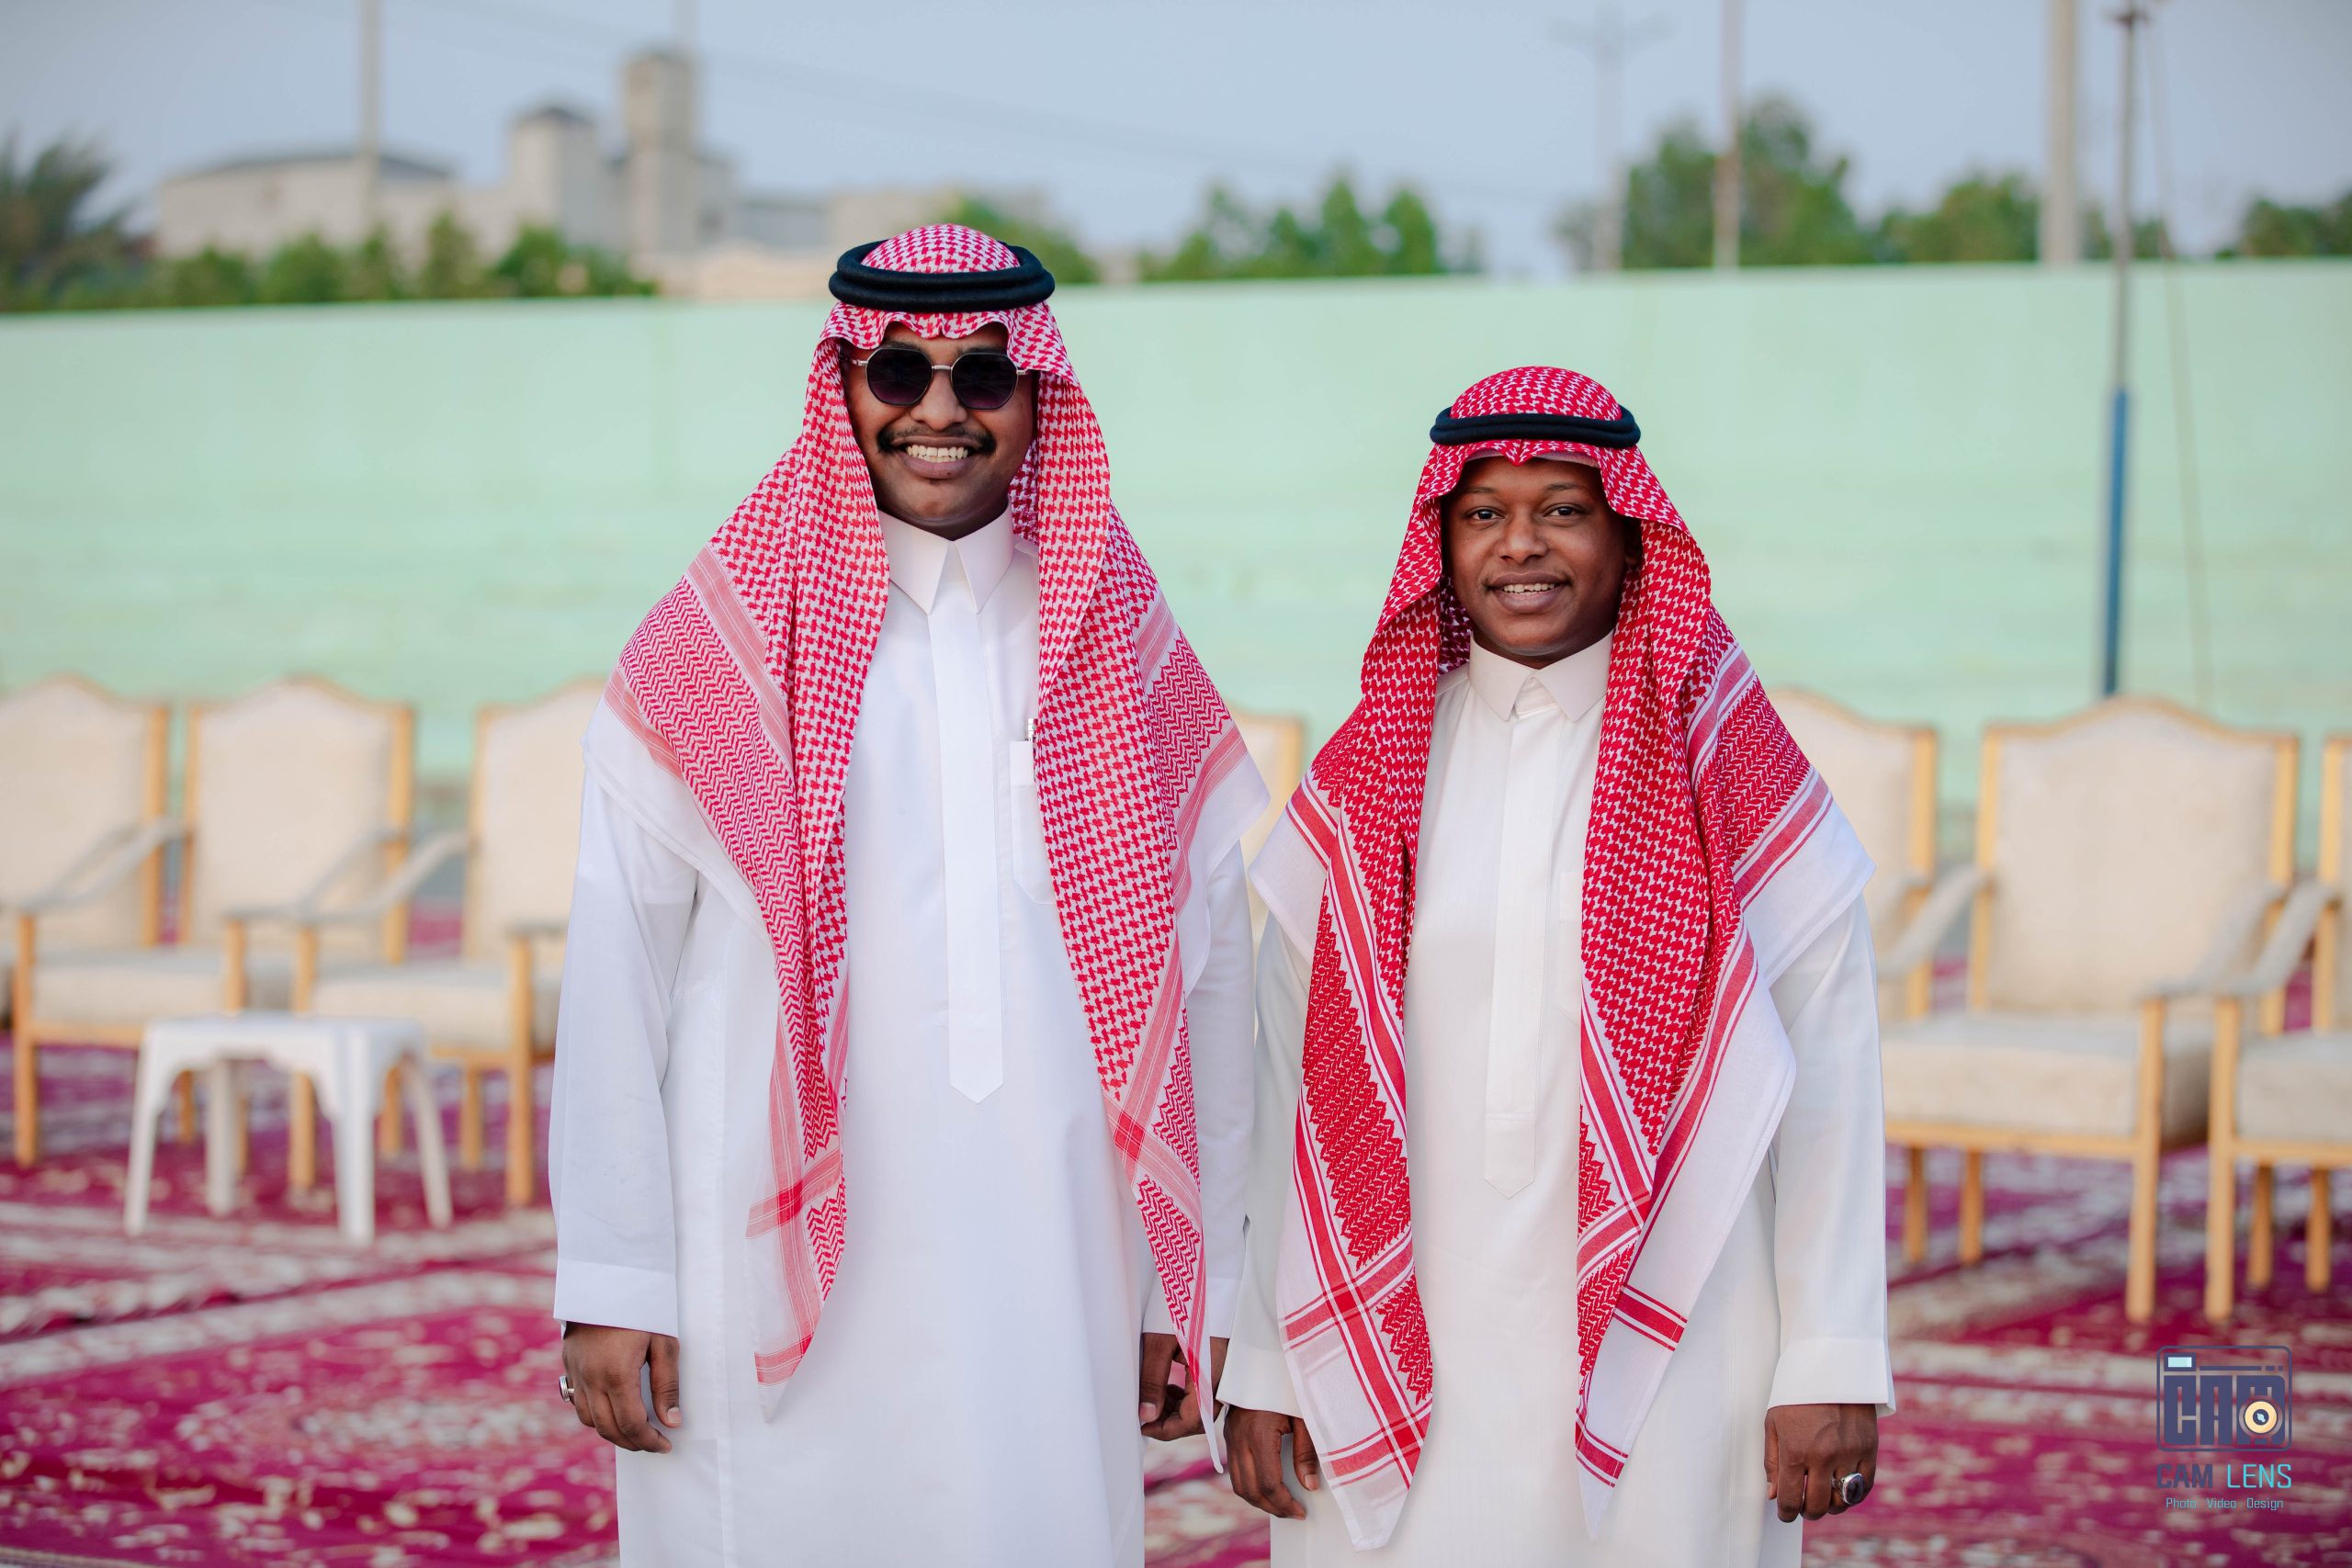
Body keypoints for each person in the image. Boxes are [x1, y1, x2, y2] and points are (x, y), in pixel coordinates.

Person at [546, 225, 1265, 1566]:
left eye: (983, 375)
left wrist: (1188, 1277)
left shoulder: (1116, 636)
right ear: (843, 386)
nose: (940, 411)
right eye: (898, 372)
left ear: (1037, 397)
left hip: (1054, 1257)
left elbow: (1209, 977)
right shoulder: (718, 640)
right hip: (755, 1251)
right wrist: (613, 1272)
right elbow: (615, 969)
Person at [1219, 367, 1893, 1564]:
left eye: (1563, 511)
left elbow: (1831, 1078)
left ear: (1629, 536)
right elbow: (1289, 1086)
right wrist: (1269, 1359)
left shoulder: (1727, 766)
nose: (1520, 545)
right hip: (1405, 1323)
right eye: (1484, 512)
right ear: (1443, 542)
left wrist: (1831, 1356)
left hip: (1682, 1329)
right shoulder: (1370, 775)